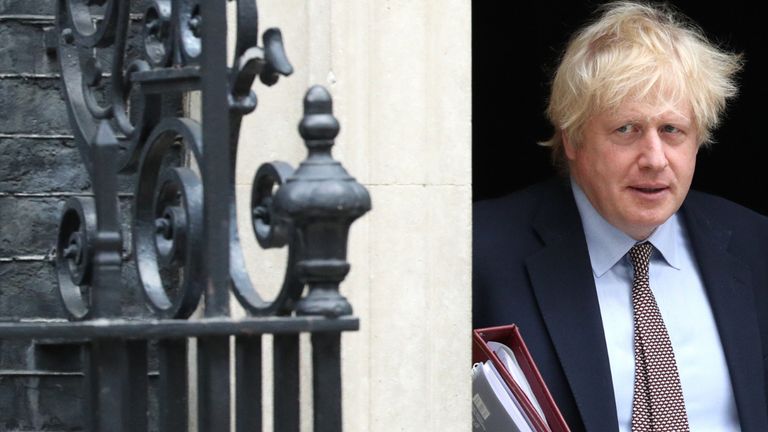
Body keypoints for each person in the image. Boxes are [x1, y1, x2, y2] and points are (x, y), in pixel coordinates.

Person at [473, 2, 768, 431]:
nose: (654, 159)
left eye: (672, 130)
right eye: (626, 129)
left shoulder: (755, 247)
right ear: (572, 137)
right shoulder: (482, 253)